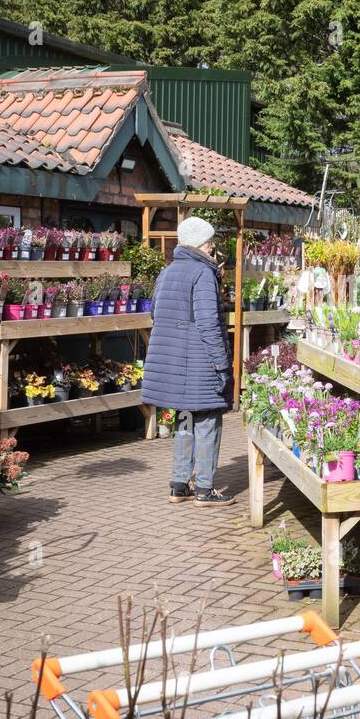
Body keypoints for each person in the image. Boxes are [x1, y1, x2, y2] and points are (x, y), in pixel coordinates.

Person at [141, 217, 235, 507]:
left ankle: (179, 485)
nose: (213, 248)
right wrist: (222, 364)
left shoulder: (166, 272)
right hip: (198, 364)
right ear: (201, 244)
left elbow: (156, 314)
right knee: (208, 421)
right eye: (210, 243)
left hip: (175, 365)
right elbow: (209, 324)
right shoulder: (203, 274)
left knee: (185, 419)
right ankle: (205, 490)